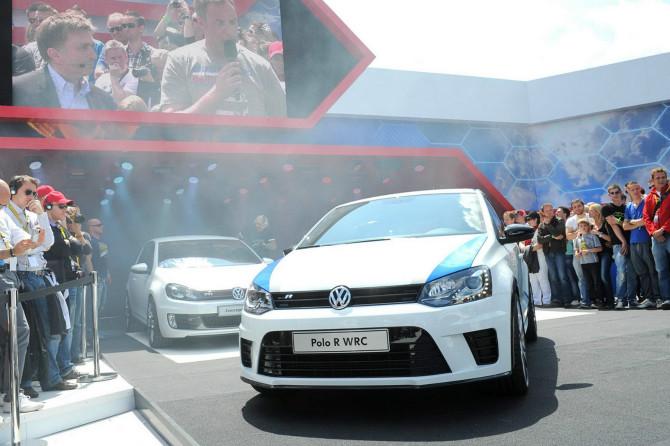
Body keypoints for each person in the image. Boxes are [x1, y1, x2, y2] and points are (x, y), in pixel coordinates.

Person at [2, 176, 76, 393]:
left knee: (51, 328)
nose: (32, 197)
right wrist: (34, 244)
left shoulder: (32, 214)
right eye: (28, 192)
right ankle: (25, 384)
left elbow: (47, 243)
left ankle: (47, 377)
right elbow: (23, 245)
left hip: (39, 274)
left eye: (34, 193)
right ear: (13, 191)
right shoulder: (6, 213)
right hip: (22, 275)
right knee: (31, 332)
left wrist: (42, 216)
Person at [159, 0, 287, 116]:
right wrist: (217, 94)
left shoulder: (260, 66)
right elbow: (170, 123)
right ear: (202, 23)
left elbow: (283, 118)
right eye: (219, 23)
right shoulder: (179, 61)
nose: (229, 30)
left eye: (232, 22)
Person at [0, 179, 45, 413]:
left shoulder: (4, 216)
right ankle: (11, 395)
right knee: (19, 331)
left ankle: (10, 393)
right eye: (3, 200)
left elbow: (32, 243)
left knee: (15, 334)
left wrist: (39, 230)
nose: (5, 204)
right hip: (3, 277)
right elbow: (13, 249)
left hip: (9, 275)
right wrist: (12, 251)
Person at [13, 13, 116, 111]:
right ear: (55, 54)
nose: (93, 56)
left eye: (92, 46)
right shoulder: (18, 91)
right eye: (83, 47)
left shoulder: (105, 101)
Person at [44, 191, 88, 382]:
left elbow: (82, 249)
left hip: (65, 281)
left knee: (67, 327)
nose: (65, 210)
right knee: (56, 331)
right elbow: (63, 249)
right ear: (47, 206)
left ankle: (64, 367)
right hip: (54, 282)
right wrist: (69, 239)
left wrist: (73, 231)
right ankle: (54, 373)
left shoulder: (60, 227)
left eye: (65, 206)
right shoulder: (45, 226)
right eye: (61, 206)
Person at [623, 181, 660, 309]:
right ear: (628, 191)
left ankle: (658, 297)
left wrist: (633, 222)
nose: (635, 191)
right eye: (632, 189)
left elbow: (648, 220)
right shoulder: (628, 206)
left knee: (652, 270)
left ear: (640, 189)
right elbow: (625, 226)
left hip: (647, 240)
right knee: (642, 272)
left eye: (637, 188)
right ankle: (649, 298)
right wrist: (639, 222)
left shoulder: (647, 201)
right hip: (633, 243)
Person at [603, 184, 638, 310]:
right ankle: (620, 300)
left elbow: (627, 223)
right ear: (609, 195)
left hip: (632, 242)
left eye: (617, 192)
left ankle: (632, 299)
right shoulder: (607, 208)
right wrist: (623, 241)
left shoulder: (627, 207)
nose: (615, 195)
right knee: (621, 271)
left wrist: (620, 221)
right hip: (619, 244)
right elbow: (614, 225)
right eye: (612, 193)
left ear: (621, 192)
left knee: (632, 272)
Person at [642, 167, 670, 310]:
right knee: (661, 269)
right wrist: (654, 233)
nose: (661, 180)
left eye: (663, 177)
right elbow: (646, 217)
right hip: (656, 238)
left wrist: (663, 229)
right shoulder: (649, 197)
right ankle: (666, 298)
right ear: (652, 180)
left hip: (667, 233)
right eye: (657, 178)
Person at [537, 203, 572, 307]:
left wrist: (548, 225)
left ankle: (567, 300)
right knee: (553, 277)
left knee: (562, 276)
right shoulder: (541, 224)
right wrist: (551, 236)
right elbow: (540, 240)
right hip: (548, 253)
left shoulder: (560, 220)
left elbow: (559, 234)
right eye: (547, 210)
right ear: (543, 212)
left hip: (559, 252)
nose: (550, 212)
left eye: (551, 209)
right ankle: (557, 299)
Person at [588, 202, 614, 309]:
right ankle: (602, 300)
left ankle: (610, 301)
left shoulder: (605, 223)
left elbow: (611, 239)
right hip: (595, 253)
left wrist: (599, 233)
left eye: (591, 210)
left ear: (597, 212)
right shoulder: (591, 225)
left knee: (604, 276)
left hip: (605, 252)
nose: (589, 212)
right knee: (597, 278)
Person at [573, 219, 603, 309]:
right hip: (583, 262)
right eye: (581, 226)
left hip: (593, 261)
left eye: (585, 226)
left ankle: (599, 299)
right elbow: (576, 250)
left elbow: (599, 248)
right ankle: (592, 300)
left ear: (589, 227)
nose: (583, 228)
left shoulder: (593, 236)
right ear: (578, 228)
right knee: (588, 282)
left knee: (596, 281)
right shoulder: (577, 238)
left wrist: (589, 250)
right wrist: (577, 253)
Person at [21, 3, 58, 70]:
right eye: (32, 20)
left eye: (42, 20)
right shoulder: (29, 49)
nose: (36, 23)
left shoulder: (64, 44)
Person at [526, 211, 551, 306]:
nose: (528, 221)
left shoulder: (541, 228)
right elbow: (522, 243)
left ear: (536, 219)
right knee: (533, 280)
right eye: (527, 220)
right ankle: (536, 301)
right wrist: (527, 249)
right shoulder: (529, 230)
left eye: (530, 219)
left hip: (540, 256)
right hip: (530, 257)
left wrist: (528, 249)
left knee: (542, 278)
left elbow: (540, 245)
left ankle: (546, 300)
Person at [87, 218, 111, 314]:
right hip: (97, 278)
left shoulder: (103, 242)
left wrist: (108, 273)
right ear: (91, 228)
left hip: (103, 277)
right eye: (98, 225)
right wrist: (92, 276)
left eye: (102, 225)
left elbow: (105, 259)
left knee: (100, 305)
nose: (102, 227)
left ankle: (95, 323)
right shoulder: (89, 241)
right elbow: (88, 259)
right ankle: (91, 324)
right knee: (94, 306)